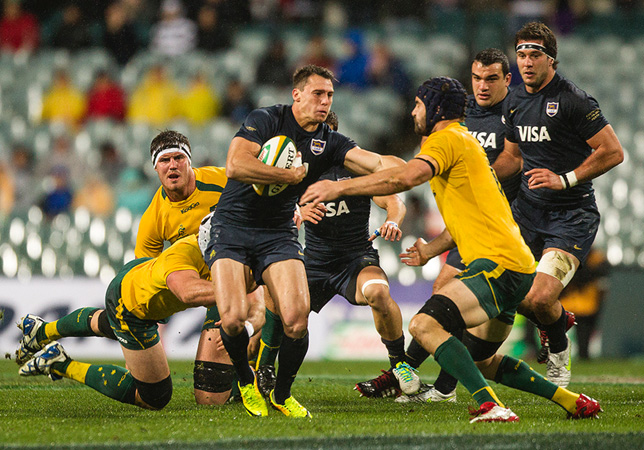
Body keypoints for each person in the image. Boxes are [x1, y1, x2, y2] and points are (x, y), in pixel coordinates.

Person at [301, 76, 602, 422]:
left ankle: (491, 405)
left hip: (497, 265)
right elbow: (469, 215)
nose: (413, 111)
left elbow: (404, 179)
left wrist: (338, 189)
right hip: (516, 265)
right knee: (481, 361)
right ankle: (571, 400)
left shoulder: (445, 139)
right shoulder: (465, 142)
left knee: (423, 326)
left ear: (435, 108)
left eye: (418, 104)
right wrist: (432, 250)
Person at [201, 64, 404, 418]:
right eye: (318, 94)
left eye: (329, 96)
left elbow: (375, 164)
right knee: (232, 320)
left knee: (296, 320)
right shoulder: (266, 119)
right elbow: (235, 165)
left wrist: (414, 168)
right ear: (297, 94)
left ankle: (281, 394)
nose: (325, 102)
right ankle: (247, 382)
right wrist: (288, 174)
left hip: (278, 233)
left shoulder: (330, 141)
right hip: (232, 227)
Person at [492, 22, 623, 387]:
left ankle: (559, 352)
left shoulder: (573, 100)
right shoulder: (514, 100)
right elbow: (512, 157)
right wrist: (483, 177)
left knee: (538, 298)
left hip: (570, 216)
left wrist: (564, 178)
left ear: (551, 59)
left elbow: (613, 151)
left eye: (535, 54)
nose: (527, 62)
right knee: (498, 290)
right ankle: (557, 318)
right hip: (527, 213)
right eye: (521, 54)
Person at [255, 111, 413, 396]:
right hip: (314, 262)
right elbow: (270, 211)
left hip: (356, 260)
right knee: (273, 292)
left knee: (377, 292)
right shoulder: (297, 172)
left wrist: (393, 220)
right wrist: (298, 211)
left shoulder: (357, 170)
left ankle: (399, 366)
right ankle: (261, 368)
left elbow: (394, 201)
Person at [16, 233, 262, 411]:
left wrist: (249, 326)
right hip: (132, 307)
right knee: (156, 397)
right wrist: (237, 290)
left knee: (105, 324)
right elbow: (187, 292)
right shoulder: (185, 254)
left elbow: (258, 302)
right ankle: (60, 363)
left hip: (141, 278)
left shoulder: (226, 254)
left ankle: (41, 331)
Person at [134, 130, 266, 406]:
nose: (173, 165)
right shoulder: (153, 218)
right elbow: (143, 274)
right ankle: (247, 378)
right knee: (208, 397)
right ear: (155, 168)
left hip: (244, 276)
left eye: (179, 158)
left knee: (249, 321)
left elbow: (265, 198)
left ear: (189, 161)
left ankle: (263, 366)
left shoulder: (222, 180)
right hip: (207, 288)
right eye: (165, 160)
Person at [559, 246, 610, 360]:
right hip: (569, 300)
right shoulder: (568, 255)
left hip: (584, 301)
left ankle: (583, 356)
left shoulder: (595, 257)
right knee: (556, 335)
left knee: (583, 337)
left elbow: (604, 271)